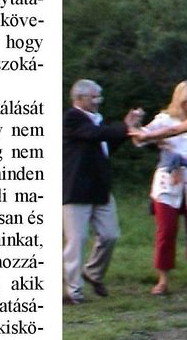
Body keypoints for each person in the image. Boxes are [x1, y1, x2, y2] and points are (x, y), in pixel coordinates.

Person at [62, 79, 145, 304]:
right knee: (76, 240)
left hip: (100, 187)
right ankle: (73, 291)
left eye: (99, 96)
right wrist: (126, 128)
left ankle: (93, 272)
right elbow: (95, 135)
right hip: (76, 188)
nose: (98, 101)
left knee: (110, 234)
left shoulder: (96, 122)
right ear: (78, 99)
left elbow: (106, 146)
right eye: (93, 96)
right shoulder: (73, 118)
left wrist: (126, 128)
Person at [142, 80, 187, 295]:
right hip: (169, 181)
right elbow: (141, 138)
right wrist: (154, 138)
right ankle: (163, 278)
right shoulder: (165, 119)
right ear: (181, 100)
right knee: (167, 230)